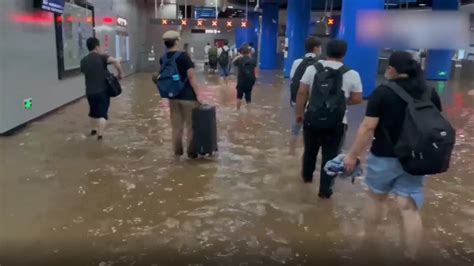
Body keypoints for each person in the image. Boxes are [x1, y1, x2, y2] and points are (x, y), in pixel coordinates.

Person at [344, 51, 442, 259]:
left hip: (384, 156)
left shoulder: (383, 92)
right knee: (409, 209)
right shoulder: (430, 93)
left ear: (392, 70)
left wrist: (352, 155)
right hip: (416, 159)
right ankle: (411, 256)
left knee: (376, 199)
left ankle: (370, 246)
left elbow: (368, 127)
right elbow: (435, 124)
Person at [295, 39, 363, 198]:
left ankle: (306, 182)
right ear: (344, 53)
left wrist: (299, 114)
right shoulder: (351, 73)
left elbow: (301, 93)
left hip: (312, 119)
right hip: (337, 123)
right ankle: (325, 193)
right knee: (331, 156)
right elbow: (358, 99)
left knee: (309, 152)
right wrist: (340, 103)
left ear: (325, 51)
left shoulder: (313, 69)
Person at [159, 31, 202, 159]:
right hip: (188, 97)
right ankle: (191, 153)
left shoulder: (163, 58)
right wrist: (198, 95)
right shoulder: (184, 56)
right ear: (177, 41)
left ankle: (177, 154)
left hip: (173, 97)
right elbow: (191, 76)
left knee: (176, 127)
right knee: (191, 126)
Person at [80, 37, 123, 140]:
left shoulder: (83, 61)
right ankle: (100, 136)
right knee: (102, 114)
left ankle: (93, 130)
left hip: (89, 92)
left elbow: (85, 72)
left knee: (92, 112)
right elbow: (115, 61)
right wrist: (120, 73)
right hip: (103, 90)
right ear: (96, 47)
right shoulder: (102, 57)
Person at [289, 37, 322, 155]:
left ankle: (291, 150)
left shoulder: (297, 62)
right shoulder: (320, 64)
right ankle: (306, 151)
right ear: (316, 48)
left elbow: (293, 79)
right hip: (313, 102)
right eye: (320, 47)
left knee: (297, 123)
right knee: (311, 128)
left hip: (298, 99)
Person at [232, 45, 259, 110]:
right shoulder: (253, 60)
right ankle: (249, 112)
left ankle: (238, 111)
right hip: (250, 81)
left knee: (239, 97)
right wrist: (255, 79)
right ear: (249, 52)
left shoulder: (240, 60)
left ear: (242, 52)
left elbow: (233, 62)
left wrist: (239, 56)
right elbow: (256, 72)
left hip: (241, 81)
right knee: (248, 97)